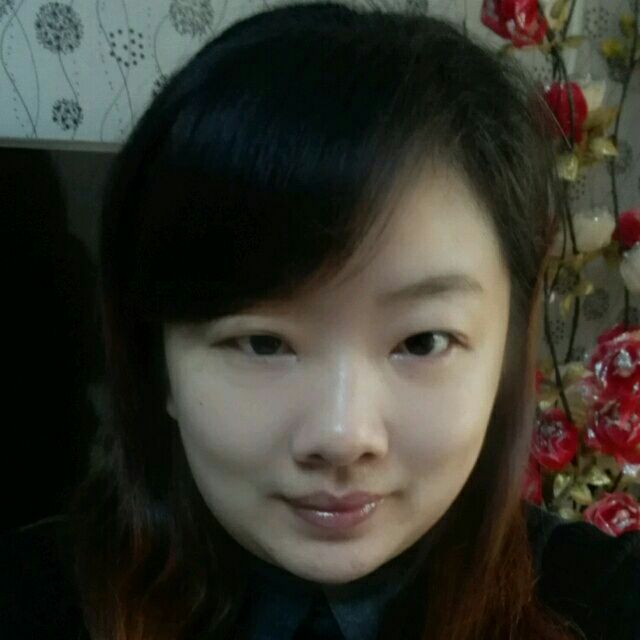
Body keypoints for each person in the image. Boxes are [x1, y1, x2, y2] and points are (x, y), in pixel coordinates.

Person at [1, 2, 638, 639]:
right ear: (158, 361)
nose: (342, 436)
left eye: (423, 341)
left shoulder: (602, 600)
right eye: (261, 342)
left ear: (506, 352)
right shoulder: (32, 599)